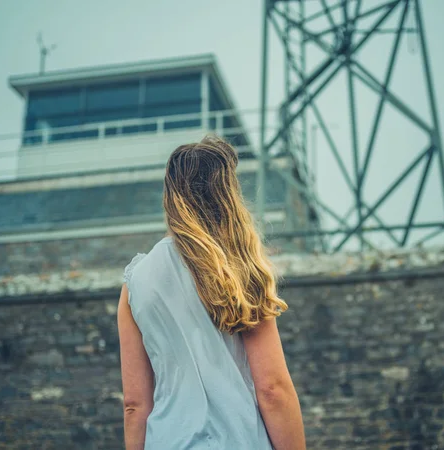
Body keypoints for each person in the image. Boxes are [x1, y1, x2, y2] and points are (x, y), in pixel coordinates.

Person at [117, 136, 306, 450]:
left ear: (171, 195)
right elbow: (272, 390)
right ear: (228, 195)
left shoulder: (135, 282)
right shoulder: (239, 269)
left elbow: (135, 405)